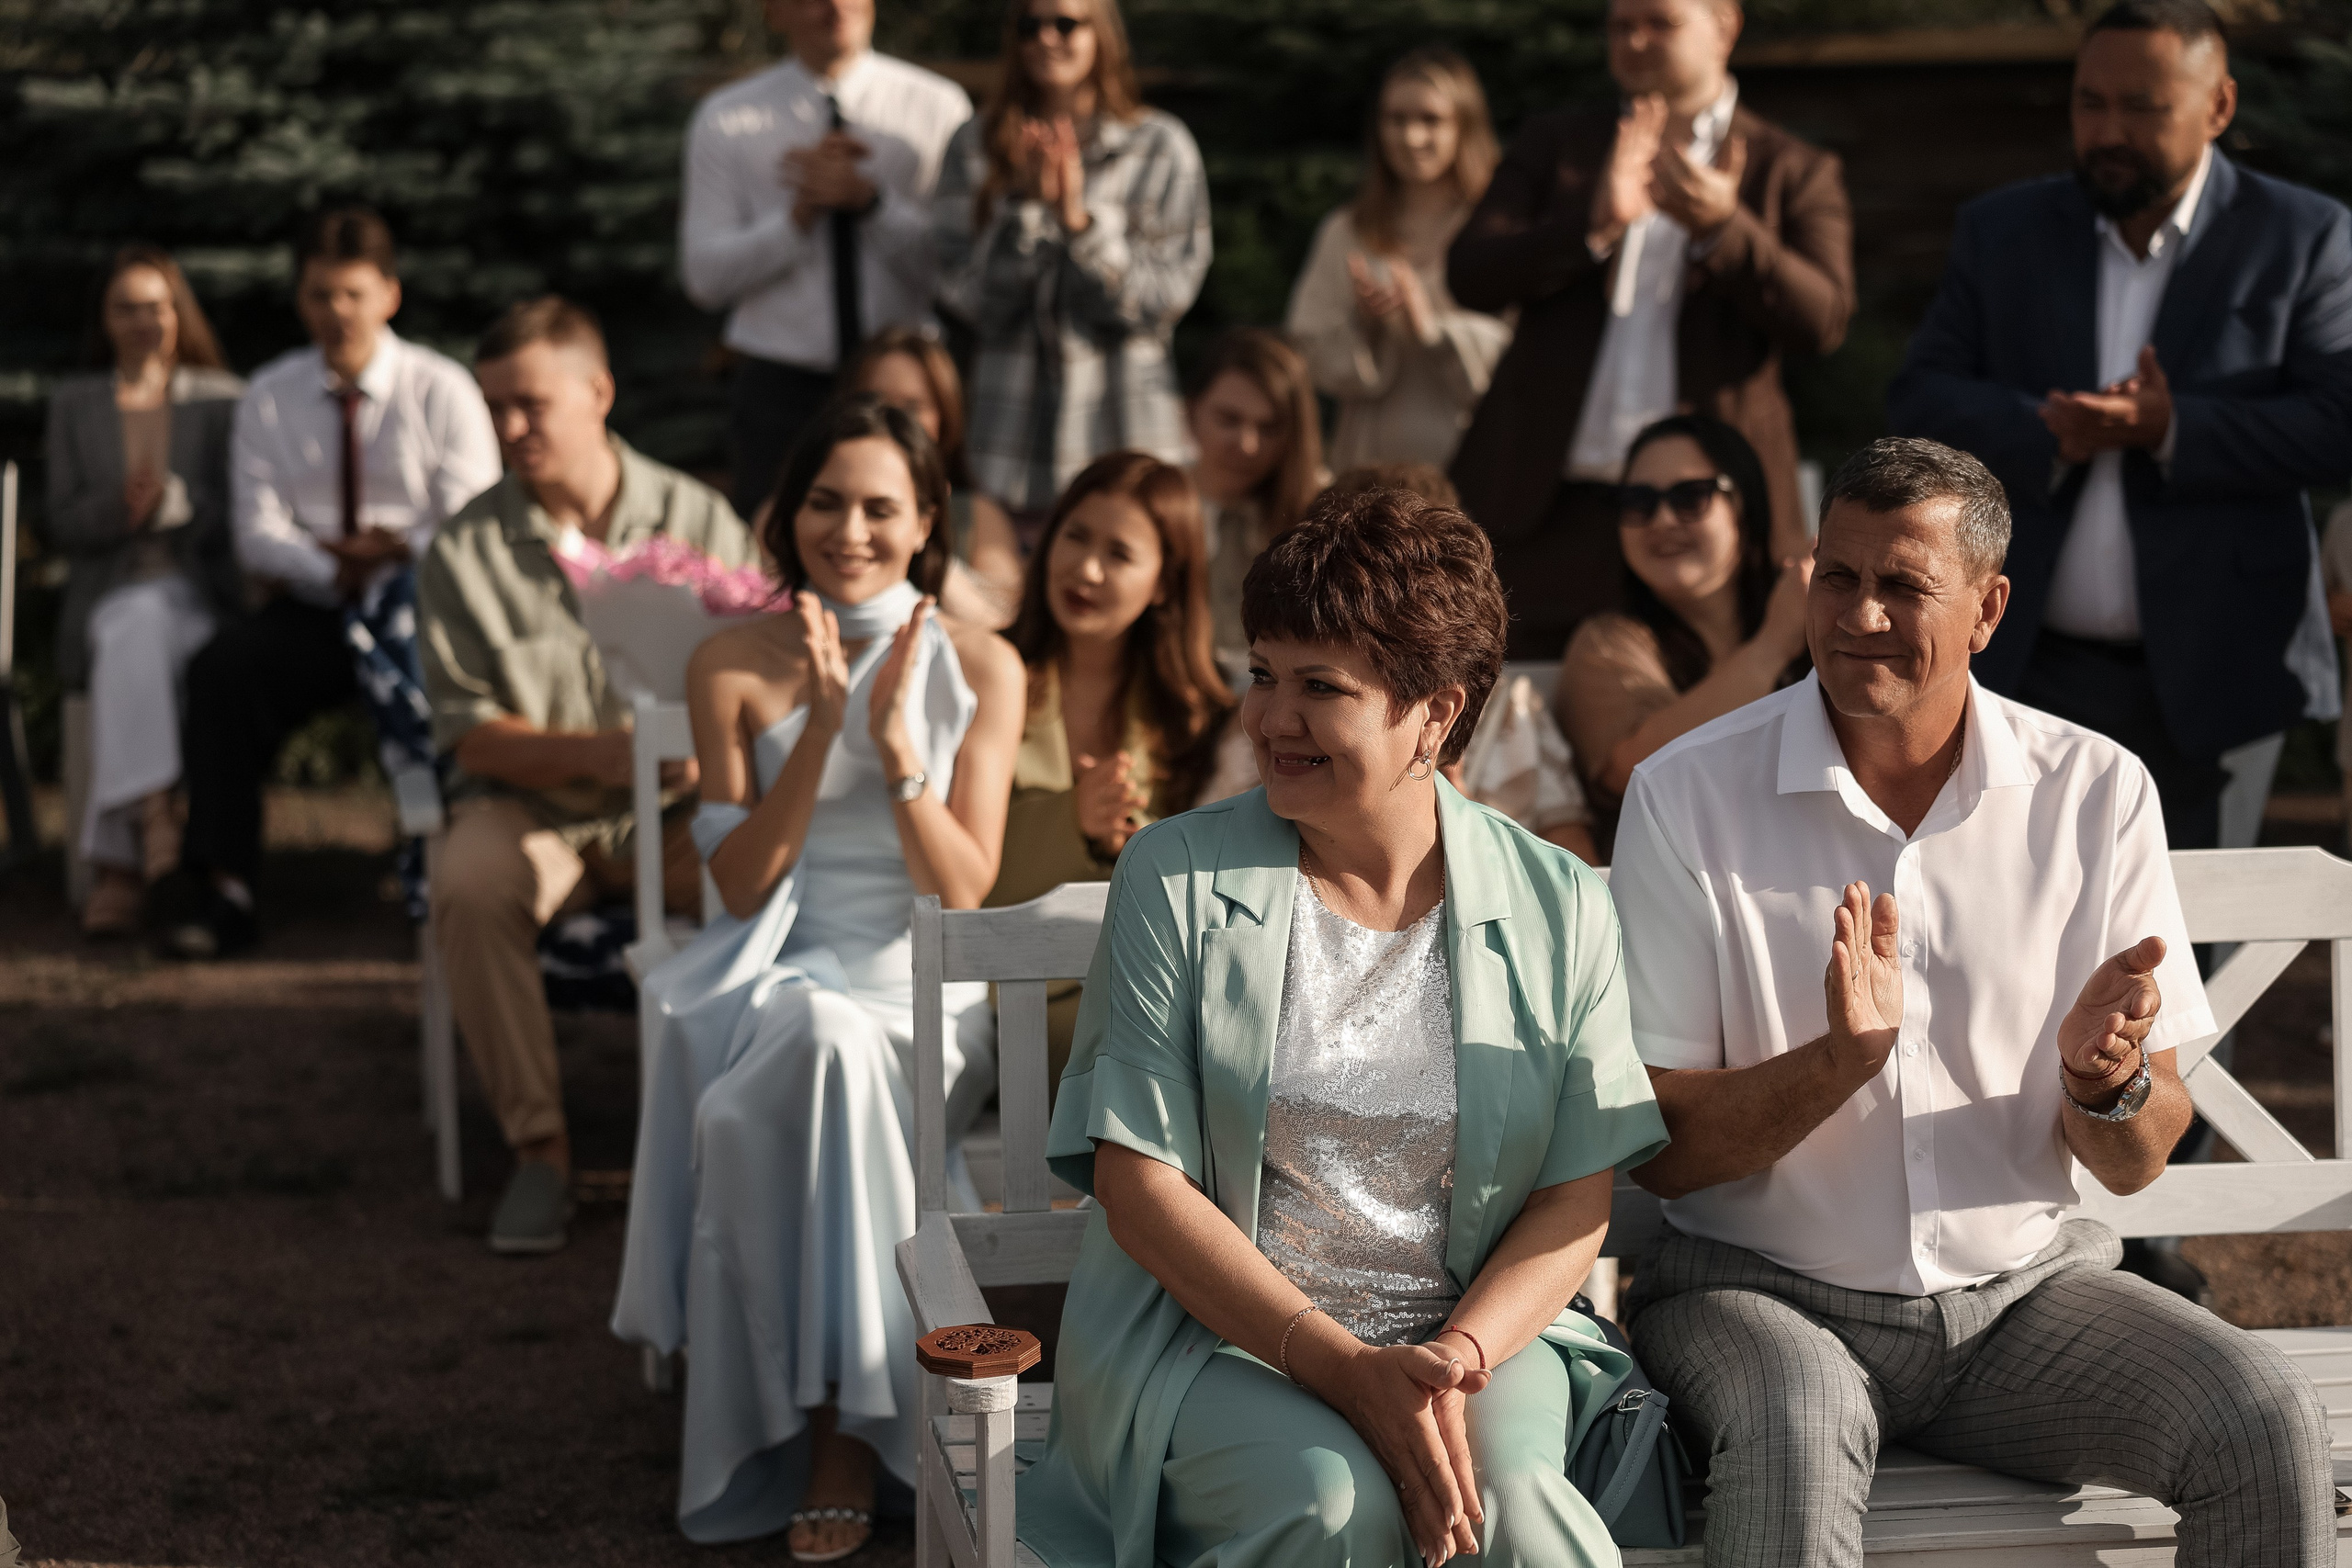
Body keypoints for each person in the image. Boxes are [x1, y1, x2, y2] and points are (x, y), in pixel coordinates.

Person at [1607, 437, 2334, 1568]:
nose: (1861, 614)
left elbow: (2140, 1156)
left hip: (2021, 1306)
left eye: (1903, 585)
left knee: (2260, 1423)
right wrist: (1832, 1066)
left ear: (1989, 609)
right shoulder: (1685, 795)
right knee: (1798, 1434)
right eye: (1838, 579)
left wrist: (2110, 1085)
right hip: (1755, 1298)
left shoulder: (2093, 791)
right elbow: (1658, 1152)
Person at [1016, 486, 1669, 1568]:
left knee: (1516, 1516)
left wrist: (1451, 1360)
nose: (1271, 718)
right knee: (1334, 1509)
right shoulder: (1173, 873)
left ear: (1436, 714)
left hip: (1481, 1341)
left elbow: (1573, 1196)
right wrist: (1346, 1370)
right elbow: (1138, 1182)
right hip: (1217, 1339)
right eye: (1261, 674)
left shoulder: (1564, 902)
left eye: (1320, 687)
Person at [610, 396, 1024, 1558]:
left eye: (880, 506)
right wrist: (824, 721)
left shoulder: (984, 665)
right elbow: (741, 888)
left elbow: (964, 892)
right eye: (825, 502)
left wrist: (894, 755)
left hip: (922, 993)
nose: (850, 529)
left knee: (809, 1068)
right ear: (786, 516)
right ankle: (846, 1423)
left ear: (926, 520)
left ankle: (824, 1429)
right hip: (779, 976)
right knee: (810, 1050)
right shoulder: (731, 662)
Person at [1888, 0, 2350, 859]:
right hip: (2026, 665)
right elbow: (1920, 399)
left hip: (2219, 668)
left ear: (2218, 107)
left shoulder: (2303, 236)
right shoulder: (2005, 232)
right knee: (2023, 942)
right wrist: (2044, 429)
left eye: (2142, 106)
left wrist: (2175, 428)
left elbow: (2337, 424)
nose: (2109, 130)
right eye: (2089, 103)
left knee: (2198, 960)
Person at [417, 297, 758, 1254]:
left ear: (598, 391)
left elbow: (767, 672)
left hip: (687, 810)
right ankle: (541, 1153)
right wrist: (603, 755)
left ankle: (743, 1131)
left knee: (786, 872)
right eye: (494, 409)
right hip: (534, 812)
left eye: (529, 403)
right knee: (470, 884)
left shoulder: (697, 519)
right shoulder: (463, 550)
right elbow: (471, 734)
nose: (509, 428)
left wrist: (715, 744)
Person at [1448, 0, 1852, 661]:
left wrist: (1727, 229)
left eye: (1659, 21)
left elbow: (1823, 320)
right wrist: (1592, 227)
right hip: (1544, 510)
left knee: (1713, 735)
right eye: (1619, 24)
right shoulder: (1558, 146)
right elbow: (1469, 274)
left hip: (1705, 525)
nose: (1634, 40)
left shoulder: (1789, 167)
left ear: (1725, 25)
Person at [166, 208, 500, 959]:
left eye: (352, 294)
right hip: (315, 609)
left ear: (389, 293)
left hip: (420, 611)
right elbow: (258, 532)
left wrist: (397, 550)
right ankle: (226, 891)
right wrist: (339, 566)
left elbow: (470, 518)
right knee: (222, 673)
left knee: (432, 672)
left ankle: (446, 881)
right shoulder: (271, 396)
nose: (336, 312)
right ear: (300, 299)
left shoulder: (442, 389)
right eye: (320, 295)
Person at [990, 450, 1232, 1088]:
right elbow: (960, 870)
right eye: (1074, 535)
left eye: (1119, 553)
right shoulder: (987, 676)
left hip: (1157, 987)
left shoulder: (1205, 717)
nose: (1086, 568)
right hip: (1006, 989)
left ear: (1164, 583)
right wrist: (1069, 820)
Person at [681, 0, 972, 517]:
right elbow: (705, 277)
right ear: (774, 11)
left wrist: (870, 203)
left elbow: (961, 272)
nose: (836, 7)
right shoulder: (728, 119)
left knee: (909, 536)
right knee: (776, 550)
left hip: (903, 382)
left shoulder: (937, 109)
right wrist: (797, 219)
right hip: (781, 385)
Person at [933, 0, 1212, 527]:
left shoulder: (1160, 146)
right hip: (1005, 450)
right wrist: (1024, 212)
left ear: (1102, 33)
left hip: (1125, 439)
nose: (1046, 38)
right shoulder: (975, 143)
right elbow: (969, 304)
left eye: (1065, 23)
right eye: (1028, 24)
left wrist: (1079, 225)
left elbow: (1163, 301)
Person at [43, 246, 244, 935]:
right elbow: (61, 521)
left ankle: (122, 867)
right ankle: (159, 829)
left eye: (154, 306)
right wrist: (117, 508)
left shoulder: (220, 400)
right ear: (105, 319)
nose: (141, 321)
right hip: (111, 595)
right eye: (125, 307)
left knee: (147, 624)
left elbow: (242, 517)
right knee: (134, 624)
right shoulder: (75, 405)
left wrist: (173, 504)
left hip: (197, 594)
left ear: (176, 312)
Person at [1554, 413, 1809, 856]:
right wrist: (1771, 648)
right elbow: (1634, 766)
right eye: (1639, 500)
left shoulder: (1814, 615)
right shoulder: (1606, 643)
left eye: (1690, 496)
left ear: (1744, 507)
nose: (1663, 520)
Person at [1319, 464, 1600, 860]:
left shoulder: (1512, 709)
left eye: (1413, 570)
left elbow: (1578, 867)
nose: (1383, 599)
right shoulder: (1280, 707)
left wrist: (1466, 827)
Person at [1285, 48, 1511, 474]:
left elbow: (1524, 356)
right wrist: (1367, 326)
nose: (1411, 137)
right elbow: (1308, 346)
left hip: (1472, 463)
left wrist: (1434, 331)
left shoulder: (1495, 228)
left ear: (1465, 125)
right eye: (1396, 119)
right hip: (1372, 463)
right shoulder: (1347, 231)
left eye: (1430, 120)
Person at [845, 326, 1025, 626]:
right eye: (874, 402)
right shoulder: (801, 508)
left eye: (913, 407)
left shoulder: (979, 518)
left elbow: (1000, 626)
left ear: (946, 417)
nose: (893, 420)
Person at [1189, 327, 1327, 665]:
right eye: (1229, 420)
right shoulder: (1152, 499)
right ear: (1192, 412)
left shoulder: (1323, 510)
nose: (1248, 445)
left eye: (1269, 428)